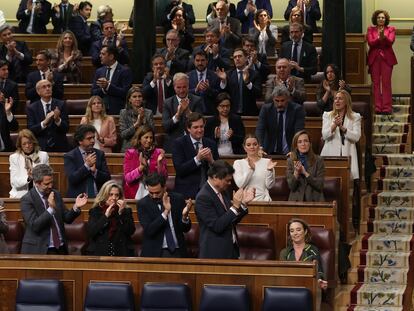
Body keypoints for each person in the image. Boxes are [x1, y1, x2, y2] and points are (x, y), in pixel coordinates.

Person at [20, 164, 88, 254]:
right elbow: (35, 226)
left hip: (60, 248)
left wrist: (76, 207)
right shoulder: (27, 199)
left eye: (51, 182)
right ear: (37, 183)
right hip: (40, 250)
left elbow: (67, 218)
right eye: (46, 184)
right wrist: (51, 209)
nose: (50, 186)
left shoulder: (56, 194)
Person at [195, 160, 255, 259]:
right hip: (215, 254)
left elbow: (230, 221)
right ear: (215, 177)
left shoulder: (223, 191)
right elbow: (217, 226)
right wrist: (235, 207)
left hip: (231, 250)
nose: (229, 183)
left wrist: (243, 204)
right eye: (227, 180)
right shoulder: (203, 197)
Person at [138, 173, 192, 258]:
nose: (154, 196)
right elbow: (149, 230)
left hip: (178, 251)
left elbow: (185, 229)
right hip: (154, 253)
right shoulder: (143, 204)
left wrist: (185, 217)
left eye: (157, 192)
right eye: (151, 193)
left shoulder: (177, 199)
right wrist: (166, 212)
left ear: (164, 188)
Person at [172, 112, 219, 199]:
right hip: (186, 192)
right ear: (188, 129)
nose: (200, 130)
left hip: (209, 191)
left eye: (201, 126)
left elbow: (219, 171)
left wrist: (211, 161)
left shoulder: (211, 143)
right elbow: (180, 170)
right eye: (196, 127)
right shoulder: (179, 143)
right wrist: (197, 159)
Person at [86, 180, 136, 256]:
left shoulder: (126, 211)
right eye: (110, 194)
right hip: (100, 252)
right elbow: (92, 232)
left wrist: (120, 214)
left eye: (117, 195)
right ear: (104, 195)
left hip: (121, 251)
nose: (114, 198)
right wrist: (105, 217)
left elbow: (130, 231)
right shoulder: (95, 211)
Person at [320, 90, 361, 181]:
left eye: (340, 99)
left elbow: (356, 137)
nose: (337, 101)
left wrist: (343, 128)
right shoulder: (327, 115)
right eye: (335, 98)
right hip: (330, 153)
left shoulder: (355, 117)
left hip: (348, 153)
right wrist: (334, 126)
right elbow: (325, 135)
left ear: (346, 101)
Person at [64, 124, 111, 198]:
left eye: (93, 137)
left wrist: (95, 171)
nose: (92, 141)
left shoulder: (99, 154)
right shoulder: (70, 156)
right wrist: (86, 166)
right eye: (89, 138)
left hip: (98, 199)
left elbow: (107, 178)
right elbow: (72, 179)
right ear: (80, 141)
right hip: (78, 199)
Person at [279, 218, 327, 289]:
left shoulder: (313, 250)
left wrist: (319, 280)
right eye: (292, 231)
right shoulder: (284, 252)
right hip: (289, 287)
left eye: (298, 230)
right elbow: (282, 274)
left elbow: (319, 271)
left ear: (305, 231)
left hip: (308, 287)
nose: (295, 233)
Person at [256, 85, 305, 155]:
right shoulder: (266, 109)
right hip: (269, 152)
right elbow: (260, 129)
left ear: (288, 99)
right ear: (273, 99)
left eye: (282, 100)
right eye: (277, 101)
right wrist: (259, 147)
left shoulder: (297, 110)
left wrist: (296, 149)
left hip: (290, 152)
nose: (279, 104)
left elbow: (299, 131)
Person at [162, 73, 204, 153]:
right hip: (173, 143)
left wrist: (188, 111)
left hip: (194, 142)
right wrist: (177, 115)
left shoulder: (197, 100)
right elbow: (166, 127)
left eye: (184, 87)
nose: (182, 90)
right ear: (174, 87)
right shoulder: (167, 103)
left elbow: (200, 123)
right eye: (178, 87)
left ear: (188, 86)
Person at [124, 125, 168, 200]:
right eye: (146, 137)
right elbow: (128, 178)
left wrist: (159, 163)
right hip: (135, 190)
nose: (149, 140)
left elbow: (164, 178)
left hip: (154, 191)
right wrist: (141, 168)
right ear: (139, 139)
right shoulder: (130, 153)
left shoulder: (158, 153)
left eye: (151, 138)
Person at [366, 10, 397, 115]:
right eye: (379, 17)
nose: (381, 19)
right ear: (376, 19)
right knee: (375, 83)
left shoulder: (391, 29)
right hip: (374, 58)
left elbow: (390, 42)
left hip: (387, 59)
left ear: (386, 19)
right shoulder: (370, 29)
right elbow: (370, 42)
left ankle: (387, 107)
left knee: (386, 83)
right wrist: (379, 38)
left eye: (383, 17)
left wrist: (384, 37)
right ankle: (378, 107)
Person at [27, 79, 69, 152]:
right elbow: (31, 130)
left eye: (49, 86)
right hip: (40, 147)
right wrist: (44, 122)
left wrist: (58, 120)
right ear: (38, 91)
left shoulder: (61, 104)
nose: (47, 88)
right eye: (44, 87)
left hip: (60, 146)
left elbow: (66, 128)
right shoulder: (32, 108)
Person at [217, 48, 262, 116]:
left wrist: (247, 82)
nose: (237, 59)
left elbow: (258, 94)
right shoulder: (228, 74)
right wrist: (223, 81)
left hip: (250, 113)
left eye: (240, 56)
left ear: (246, 58)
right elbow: (221, 95)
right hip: (232, 114)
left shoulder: (254, 74)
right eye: (235, 57)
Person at [91, 45, 133, 115]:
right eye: (100, 53)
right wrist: (103, 89)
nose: (100, 56)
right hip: (100, 111)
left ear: (111, 57)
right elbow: (93, 92)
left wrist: (108, 86)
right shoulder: (99, 71)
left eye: (103, 54)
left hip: (118, 111)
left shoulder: (125, 71)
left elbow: (126, 93)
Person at [233, 134, 276, 201]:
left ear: (259, 146)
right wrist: (251, 170)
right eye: (248, 145)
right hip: (245, 202)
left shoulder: (267, 162)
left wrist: (269, 170)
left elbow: (269, 186)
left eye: (255, 144)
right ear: (244, 147)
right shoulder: (238, 163)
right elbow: (240, 184)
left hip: (264, 201)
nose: (252, 147)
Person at [9, 129, 49, 199]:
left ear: (33, 142)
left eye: (29, 143)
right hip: (20, 195)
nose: (27, 146)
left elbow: (47, 178)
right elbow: (14, 182)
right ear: (20, 145)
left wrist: (37, 177)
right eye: (24, 144)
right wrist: (28, 178)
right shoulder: (14, 158)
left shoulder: (43, 155)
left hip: (39, 195)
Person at [286, 130, 325, 201]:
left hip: (315, 200)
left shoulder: (319, 160)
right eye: (299, 142)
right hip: (296, 201)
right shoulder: (291, 161)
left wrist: (305, 173)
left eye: (306, 141)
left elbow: (320, 185)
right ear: (296, 145)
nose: (303, 144)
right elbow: (291, 186)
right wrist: (296, 173)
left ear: (310, 143)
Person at [120, 86, 154, 152]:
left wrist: (143, 119)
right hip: (129, 148)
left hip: (146, 148)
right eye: (134, 97)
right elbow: (123, 134)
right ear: (129, 99)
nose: (137, 99)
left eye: (140, 96)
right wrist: (136, 124)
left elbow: (152, 131)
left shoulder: (148, 113)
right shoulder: (123, 113)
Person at [188, 50, 221, 115]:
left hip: (211, 112)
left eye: (202, 60)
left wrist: (209, 89)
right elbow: (184, 93)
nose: (200, 63)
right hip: (193, 112)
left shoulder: (214, 76)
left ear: (207, 61)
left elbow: (219, 95)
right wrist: (195, 90)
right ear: (194, 62)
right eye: (197, 60)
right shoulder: (188, 76)